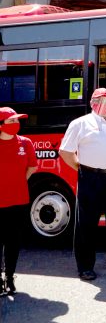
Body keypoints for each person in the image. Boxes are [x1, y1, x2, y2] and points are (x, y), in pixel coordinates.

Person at [59, 88, 106, 281]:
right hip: (92, 178)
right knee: (87, 223)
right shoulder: (80, 124)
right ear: (93, 103)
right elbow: (66, 152)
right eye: (103, 100)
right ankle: (85, 266)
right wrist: (82, 167)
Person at [0, 107, 37, 296]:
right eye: (11, 121)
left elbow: (32, 166)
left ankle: (9, 277)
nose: (16, 124)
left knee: (12, 241)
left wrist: (19, 181)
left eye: (17, 121)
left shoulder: (26, 142)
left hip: (18, 199)